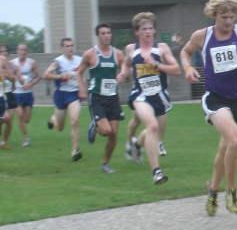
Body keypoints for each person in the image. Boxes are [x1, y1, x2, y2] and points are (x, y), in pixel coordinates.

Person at [180, 0, 237, 216]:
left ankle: (212, 191)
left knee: (226, 148)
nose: (228, 22)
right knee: (236, 142)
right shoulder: (203, 35)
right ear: (214, 15)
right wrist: (188, 68)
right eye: (223, 17)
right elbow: (185, 52)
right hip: (215, 97)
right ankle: (232, 190)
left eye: (232, 17)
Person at [118, 12, 181, 184]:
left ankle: (137, 145)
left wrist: (156, 64)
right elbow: (126, 62)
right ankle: (157, 171)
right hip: (140, 95)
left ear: (154, 31)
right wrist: (123, 72)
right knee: (152, 126)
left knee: (153, 130)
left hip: (159, 96)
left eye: (150, 28)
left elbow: (176, 70)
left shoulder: (161, 48)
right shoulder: (131, 49)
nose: (148, 31)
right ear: (137, 32)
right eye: (144, 29)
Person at [76, 24, 126, 173]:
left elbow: (125, 67)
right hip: (97, 97)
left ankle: (105, 163)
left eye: (109, 33)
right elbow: (79, 73)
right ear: (98, 36)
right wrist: (82, 89)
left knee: (114, 133)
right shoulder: (90, 54)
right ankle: (95, 126)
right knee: (105, 131)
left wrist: (124, 74)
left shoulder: (118, 54)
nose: (106, 35)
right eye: (103, 33)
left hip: (113, 98)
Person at [43, 38, 83, 161]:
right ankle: (54, 119)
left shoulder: (80, 60)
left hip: (74, 95)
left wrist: (83, 83)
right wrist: (61, 76)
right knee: (60, 127)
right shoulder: (58, 62)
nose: (70, 48)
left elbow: (81, 75)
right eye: (67, 46)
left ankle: (74, 151)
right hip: (61, 95)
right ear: (62, 48)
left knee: (74, 121)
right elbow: (46, 75)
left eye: (71, 46)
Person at [10, 43, 40, 147]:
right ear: (17, 51)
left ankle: (25, 133)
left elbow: (37, 77)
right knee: (20, 115)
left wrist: (30, 84)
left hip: (28, 94)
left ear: (27, 51)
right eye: (21, 50)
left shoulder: (32, 63)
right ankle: (26, 139)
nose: (23, 52)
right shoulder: (12, 63)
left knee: (26, 119)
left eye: (25, 50)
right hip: (16, 94)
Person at [0, 44, 19, 149]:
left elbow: (13, 79)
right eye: (1, 51)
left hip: (8, 94)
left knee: (9, 120)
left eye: (5, 51)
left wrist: (5, 75)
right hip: (1, 94)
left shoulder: (10, 64)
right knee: (3, 119)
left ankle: (4, 142)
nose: (3, 53)